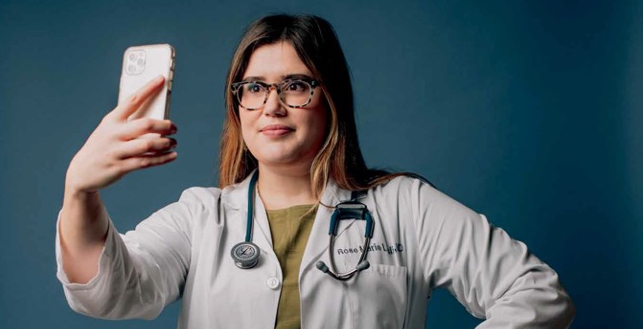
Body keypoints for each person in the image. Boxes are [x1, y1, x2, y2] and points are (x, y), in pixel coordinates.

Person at [56, 14, 575, 329]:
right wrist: (80, 191)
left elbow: (537, 294)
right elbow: (112, 295)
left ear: (331, 99)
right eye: (254, 87)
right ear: (237, 105)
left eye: (296, 84)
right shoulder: (201, 217)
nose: (272, 106)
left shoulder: (404, 207)